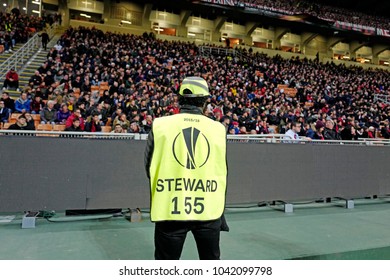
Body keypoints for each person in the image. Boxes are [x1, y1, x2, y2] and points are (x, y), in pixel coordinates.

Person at [144, 76, 228, 260]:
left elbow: (149, 166)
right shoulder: (218, 129)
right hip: (208, 208)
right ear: (205, 101)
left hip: (170, 208)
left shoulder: (160, 125)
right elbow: (220, 168)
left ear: (180, 98)